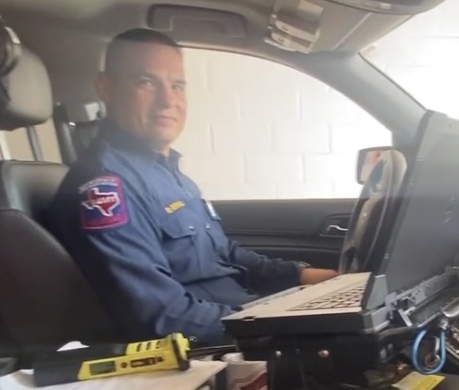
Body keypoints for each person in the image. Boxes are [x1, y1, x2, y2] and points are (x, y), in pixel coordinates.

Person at [47, 28, 338, 344]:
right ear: (106, 87)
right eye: (146, 82)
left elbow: (223, 254)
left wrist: (300, 275)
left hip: (240, 319)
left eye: (177, 86)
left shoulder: (168, 173)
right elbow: (162, 316)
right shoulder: (105, 189)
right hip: (216, 349)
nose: (168, 100)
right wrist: (274, 326)